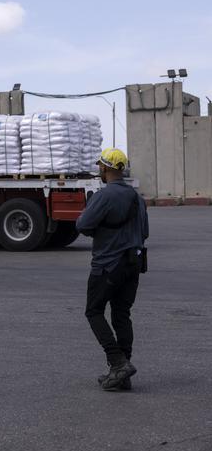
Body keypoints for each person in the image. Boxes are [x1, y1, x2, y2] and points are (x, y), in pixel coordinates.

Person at [76, 148, 149, 391]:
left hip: (108, 265)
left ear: (105, 169)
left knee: (94, 311)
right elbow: (144, 232)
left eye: (101, 166)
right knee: (121, 315)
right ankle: (123, 373)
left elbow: (83, 224)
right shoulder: (136, 197)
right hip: (133, 265)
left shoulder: (104, 196)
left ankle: (118, 363)